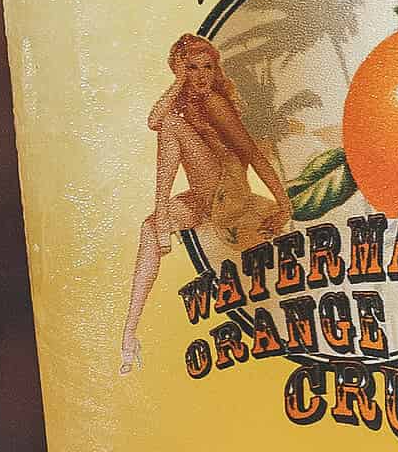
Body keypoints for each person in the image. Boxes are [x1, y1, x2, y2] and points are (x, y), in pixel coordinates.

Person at [120, 33, 292, 374]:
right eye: (192, 69)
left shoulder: (215, 103)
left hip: (229, 195)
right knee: (148, 229)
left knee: (170, 129)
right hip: (202, 199)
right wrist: (178, 83)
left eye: (207, 68)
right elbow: (153, 119)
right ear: (180, 71)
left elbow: (253, 154)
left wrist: (283, 203)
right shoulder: (181, 102)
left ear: (215, 70)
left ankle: (164, 216)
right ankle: (128, 336)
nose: (200, 76)